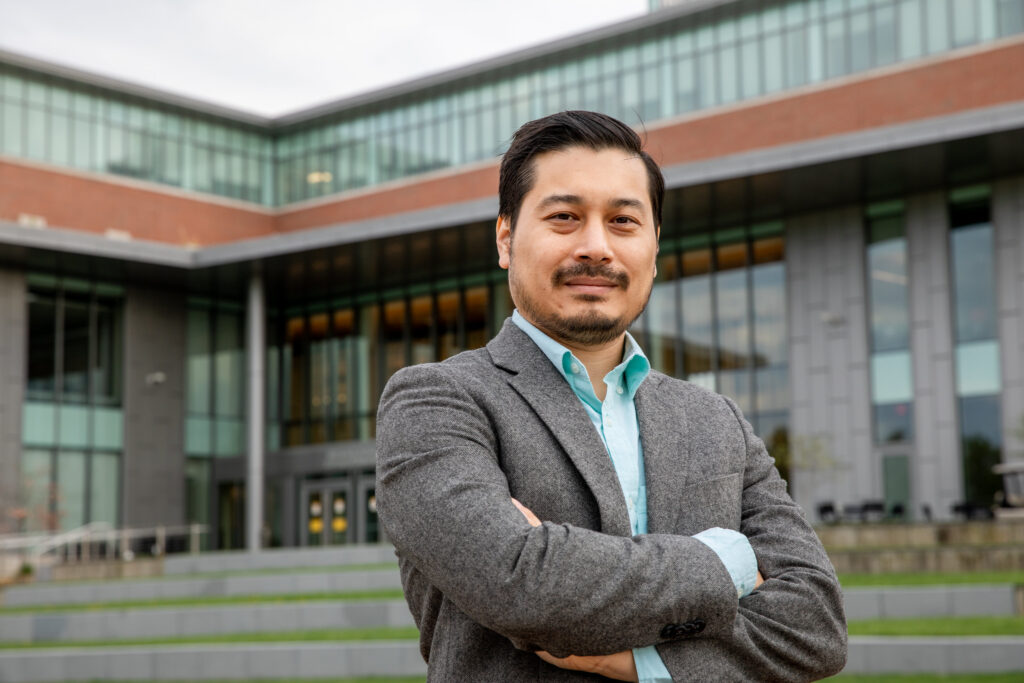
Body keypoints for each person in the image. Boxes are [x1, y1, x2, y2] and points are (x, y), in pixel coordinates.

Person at [376, 110, 847, 682]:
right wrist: (731, 561)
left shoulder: (714, 419)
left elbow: (817, 626)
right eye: (565, 217)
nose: (596, 246)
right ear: (506, 238)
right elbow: (522, 587)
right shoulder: (435, 402)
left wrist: (639, 660)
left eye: (623, 221)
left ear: (654, 246)